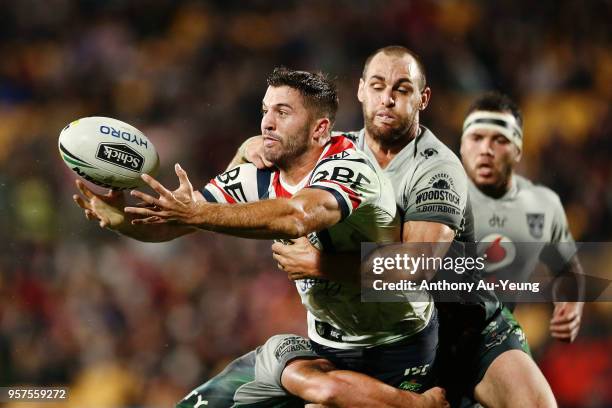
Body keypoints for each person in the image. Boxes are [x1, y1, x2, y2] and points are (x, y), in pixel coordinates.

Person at [73, 67, 447, 407]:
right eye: (265, 110)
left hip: (398, 345)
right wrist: (120, 218)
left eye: (282, 113)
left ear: (319, 129)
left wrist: (197, 212)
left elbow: (297, 216)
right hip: (327, 345)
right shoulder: (257, 175)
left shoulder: (350, 167)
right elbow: (176, 223)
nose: (267, 122)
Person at [240, 47, 558, 407]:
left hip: (465, 326)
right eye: (377, 86)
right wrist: (254, 147)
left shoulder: (437, 168)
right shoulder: (334, 155)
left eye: (401, 89)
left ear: (423, 99)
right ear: (361, 91)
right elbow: (272, 148)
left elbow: (416, 267)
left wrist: (319, 265)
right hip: (384, 342)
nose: (387, 99)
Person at [460, 91, 584, 342]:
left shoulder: (543, 204)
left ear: (518, 150)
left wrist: (571, 306)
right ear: (462, 147)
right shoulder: (434, 197)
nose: (486, 149)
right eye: (476, 138)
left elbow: (566, 269)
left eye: (499, 140)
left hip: (494, 339)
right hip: (430, 339)